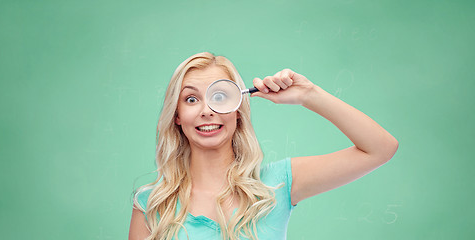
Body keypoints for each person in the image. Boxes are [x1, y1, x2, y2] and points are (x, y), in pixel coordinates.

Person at [128, 52, 398, 240]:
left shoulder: (278, 184)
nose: (207, 110)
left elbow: (380, 148)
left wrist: (308, 94)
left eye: (220, 96)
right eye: (190, 99)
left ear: (237, 109)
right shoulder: (151, 204)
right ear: (176, 116)